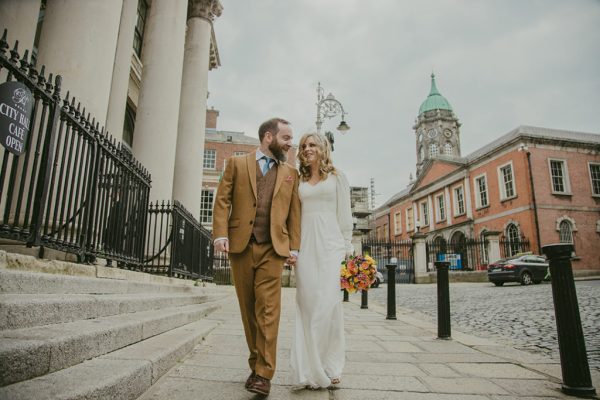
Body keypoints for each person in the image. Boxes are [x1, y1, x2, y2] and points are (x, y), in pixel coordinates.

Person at [212, 117, 301, 396]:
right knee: (248, 309)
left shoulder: (291, 172)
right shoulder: (237, 164)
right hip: (240, 246)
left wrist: (294, 247)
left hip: (273, 249)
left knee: (268, 310)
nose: (290, 143)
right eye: (286, 138)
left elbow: (294, 213)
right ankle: (255, 364)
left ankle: (264, 373)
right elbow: (222, 199)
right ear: (268, 137)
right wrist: (220, 234)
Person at [290, 133, 353, 389]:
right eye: (304, 146)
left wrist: (346, 246)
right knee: (306, 305)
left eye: (312, 144)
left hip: (330, 245)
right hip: (306, 247)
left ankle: (331, 366)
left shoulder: (338, 177)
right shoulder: (299, 179)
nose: (307, 149)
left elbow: (345, 214)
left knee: (329, 305)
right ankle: (307, 369)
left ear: (323, 148)